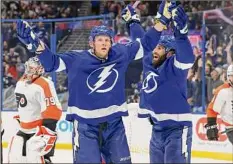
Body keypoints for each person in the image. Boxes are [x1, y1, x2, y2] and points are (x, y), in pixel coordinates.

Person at [16, 1, 172, 162]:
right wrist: (36, 44)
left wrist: (162, 22)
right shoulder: (77, 58)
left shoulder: (120, 53)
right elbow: (52, 63)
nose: (104, 43)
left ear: (112, 43)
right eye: (100, 40)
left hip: (114, 125)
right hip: (85, 126)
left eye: (107, 40)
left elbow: (145, 45)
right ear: (91, 43)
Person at [129, 4, 195, 163]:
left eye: (160, 48)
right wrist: (133, 22)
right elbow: (142, 43)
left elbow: (187, 58)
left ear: (171, 53)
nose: (154, 51)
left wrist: (181, 36)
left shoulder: (175, 66)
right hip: (157, 129)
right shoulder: (149, 62)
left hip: (177, 129)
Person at [8, 57, 62, 163]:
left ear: (40, 70)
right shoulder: (21, 82)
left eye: (33, 69)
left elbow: (53, 110)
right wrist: (23, 117)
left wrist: (48, 131)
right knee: (15, 157)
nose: (29, 71)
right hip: (23, 129)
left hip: (38, 132)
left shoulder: (44, 84)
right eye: (29, 67)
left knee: (36, 158)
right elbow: (27, 104)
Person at [205, 64, 233, 145]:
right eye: (232, 76)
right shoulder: (223, 91)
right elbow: (212, 109)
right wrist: (211, 125)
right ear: (228, 77)